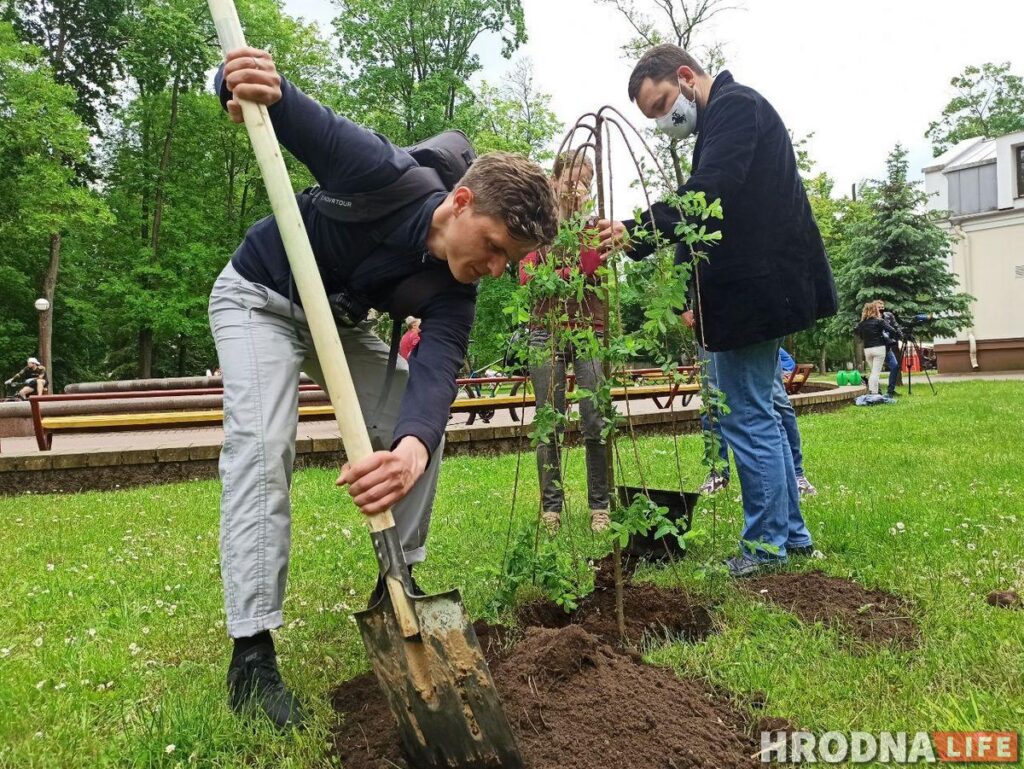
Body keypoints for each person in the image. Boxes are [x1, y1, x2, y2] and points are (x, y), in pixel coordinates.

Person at [208, 47, 558, 730]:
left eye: (509, 261)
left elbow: (437, 375)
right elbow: (285, 104)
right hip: (260, 297)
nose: (495, 268)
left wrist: (409, 451)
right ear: (460, 203)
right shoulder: (378, 170)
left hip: (336, 323)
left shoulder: (456, 290)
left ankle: (397, 579)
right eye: (493, 246)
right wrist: (236, 79)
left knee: (416, 427)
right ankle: (251, 653)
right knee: (263, 445)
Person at [596, 44, 837, 577]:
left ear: (685, 76)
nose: (663, 120)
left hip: (756, 291)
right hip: (756, 291)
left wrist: (636, 230)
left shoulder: (734, 107)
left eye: (662, 104)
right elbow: (707, 216)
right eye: (652, 116)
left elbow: (709, 192)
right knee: (761, 411)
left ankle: (765, 546)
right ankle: (791, 537)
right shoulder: (722, 120)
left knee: (746, 416)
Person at [519, 152, 609, 535]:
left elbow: (593, 265)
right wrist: (570, 270)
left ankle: (600, 507)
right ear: (555, 181)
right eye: (572, 181)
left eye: (585, 183)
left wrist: (558, 270)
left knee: (595, 418)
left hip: (590, 328)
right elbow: (527, 276)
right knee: (549, 421)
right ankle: (551, 508)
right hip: (546, 329)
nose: (578, 189)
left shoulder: (597, 227)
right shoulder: (538, 226)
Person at [694, 332, 816, 497]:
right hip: (709, 324)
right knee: (711, 400)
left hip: (758, 323)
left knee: (776, 398)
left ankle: (796, 474)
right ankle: (718, 474)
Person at [855, 302, 899, 396]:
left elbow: (860, 336)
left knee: (873, 372)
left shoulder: (861, 324)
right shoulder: (879, 321)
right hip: (879, 348)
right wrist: (886, 337)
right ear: (875, 311)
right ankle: (874, 394)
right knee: (875, 373)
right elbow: (892, 330)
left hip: (867, 350)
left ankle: (873, 392)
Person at [874, 300, 902, 397]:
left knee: (895, 366)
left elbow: (895, 326)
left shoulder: (889, 316)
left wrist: (899, 334)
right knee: (876, 370)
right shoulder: (872, 318)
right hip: (877, 348)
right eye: (879, 307)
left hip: (887, 348)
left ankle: (890, 390)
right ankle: (877, 391)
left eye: (882, 307)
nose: (881, 309)